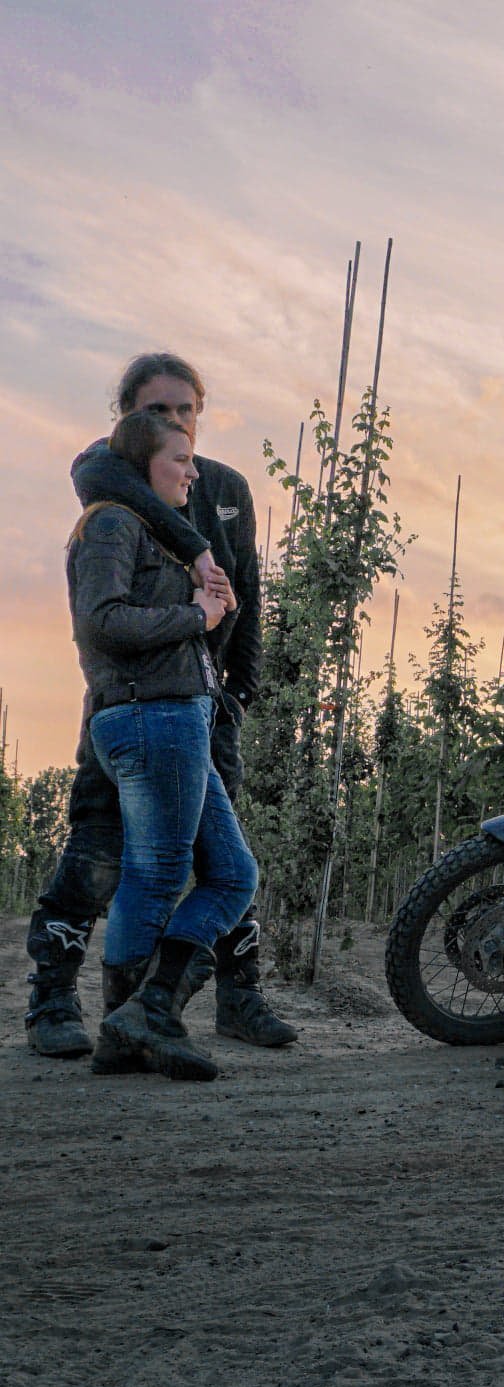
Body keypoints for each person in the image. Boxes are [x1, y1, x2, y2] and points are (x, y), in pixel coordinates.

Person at [25, 352, 297, 1059]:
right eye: (157, 409)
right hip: (133, 697)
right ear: (127, 418)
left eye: (186, 409)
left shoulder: (222, 486)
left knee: (222, 854)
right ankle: (54, 995)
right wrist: (195, 571)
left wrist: (239, 692)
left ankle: (235, 996)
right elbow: (109, 610)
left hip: (204, 698)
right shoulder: (110, 475)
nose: (176, 420)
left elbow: (248, 593)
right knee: (100, 841)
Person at [67, 410, 259, 1079]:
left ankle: (140, 1016)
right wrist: (194, 613)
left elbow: (180, 632)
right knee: (157, 875)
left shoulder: (150, 531)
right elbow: (102, 622)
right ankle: (139, 1020)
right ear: (142, 464)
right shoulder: (111, 525)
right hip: (152, 715)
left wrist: (216, 608)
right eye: (181, 458)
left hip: (179, 716)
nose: (194, 472)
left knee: (232, 873)